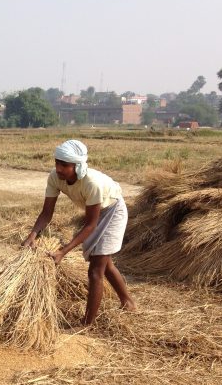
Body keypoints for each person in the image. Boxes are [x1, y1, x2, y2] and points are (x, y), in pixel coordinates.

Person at [22, 139, 136, 325]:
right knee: (104, 264)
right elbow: (46, 213)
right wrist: (32, 235)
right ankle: (128, 302)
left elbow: (90, 225)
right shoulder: (55, 177)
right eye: (57, 163)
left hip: (112, 210)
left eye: (64, 165)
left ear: (78, 166)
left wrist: (63, 251)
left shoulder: (92, 183)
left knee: (95, 270)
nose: (59, 168)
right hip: (95, 211)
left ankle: (87, 324)